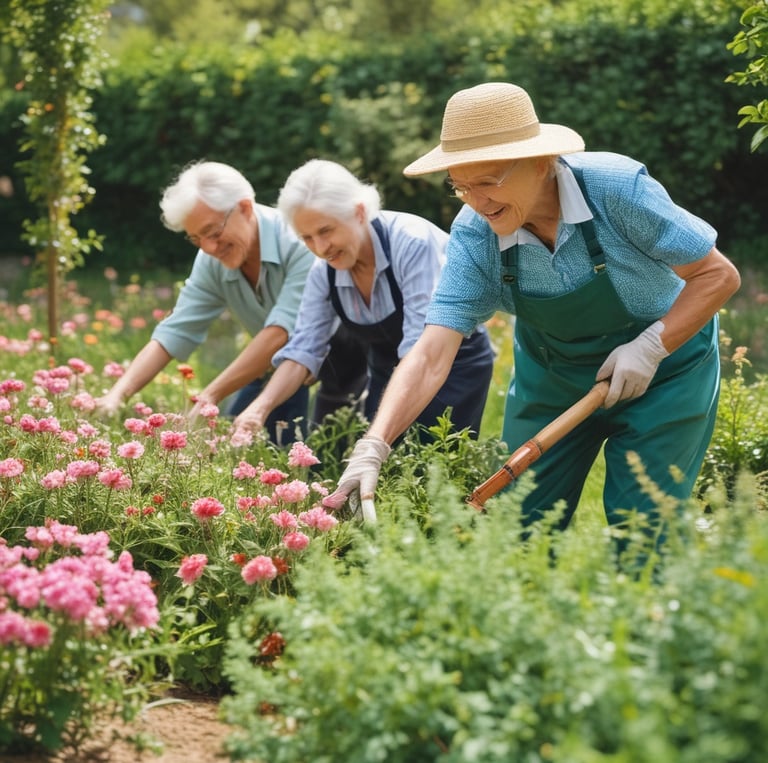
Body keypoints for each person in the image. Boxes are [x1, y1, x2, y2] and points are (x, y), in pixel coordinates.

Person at [323, 82, 741, 541]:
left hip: (668, 372)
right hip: (554, 379)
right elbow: (430, 354)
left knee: (644, 527)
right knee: (518, 527)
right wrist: (374, 445)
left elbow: (718, 276)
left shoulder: (616, 190)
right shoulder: (475, 236)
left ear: (542, 163)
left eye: (488, 181)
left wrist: (650, 346)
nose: (477, 203)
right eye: (461, 187)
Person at [94, 160, 367, 444]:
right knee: (235, 439)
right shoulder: (212, 260)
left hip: (344, 354)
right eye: (196, 238)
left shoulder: (301, 242)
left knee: (330, 452)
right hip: (274, 361)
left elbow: (281, 332)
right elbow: (175, 330)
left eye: (213, 232)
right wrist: (117, 394)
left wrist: (209, 395)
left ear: (245, 208)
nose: (209, 247)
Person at [230, 159, 495, 444]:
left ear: (358, 212)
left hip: (451, 366)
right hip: (388, 372)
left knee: (439, 469)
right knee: (382, 470)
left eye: (326, 231)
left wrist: (377, 440)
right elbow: (302, 351)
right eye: (307, 238)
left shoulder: (411, 243)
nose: (320, 249)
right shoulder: (323, 274)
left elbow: (421, 348)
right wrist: (259, 409)